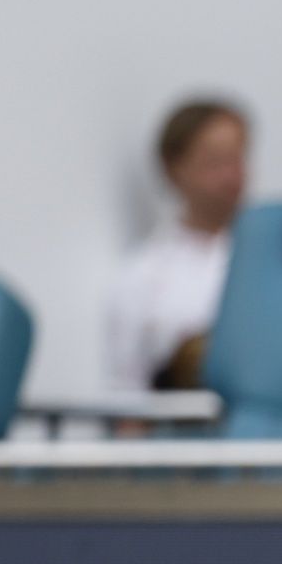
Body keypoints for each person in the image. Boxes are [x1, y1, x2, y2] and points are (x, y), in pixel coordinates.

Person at [106, 100, 249, 391]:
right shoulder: (142, 275)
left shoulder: (277, 262)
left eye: (237, 159)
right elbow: (125, 395)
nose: (231, 176)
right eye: (215, 162)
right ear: (174, 168)